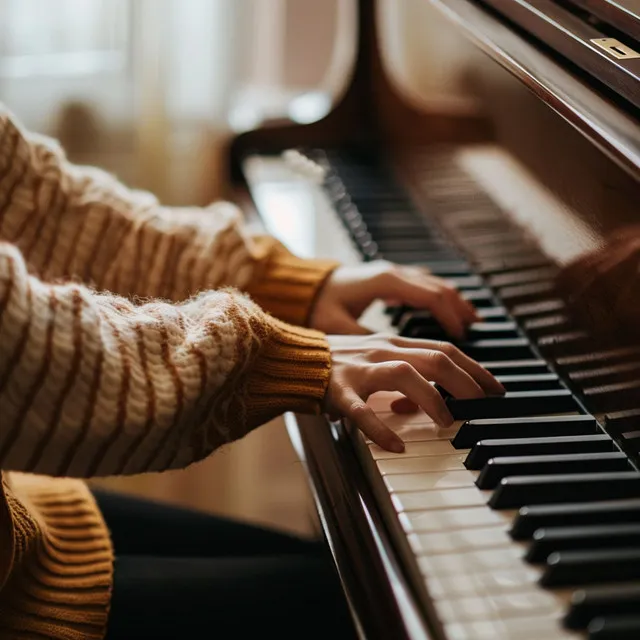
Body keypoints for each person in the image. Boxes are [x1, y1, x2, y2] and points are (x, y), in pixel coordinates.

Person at [0, 103, 505, 639]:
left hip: (21, 522)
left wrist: (277, 281)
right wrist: (273, 358)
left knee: (350, 581)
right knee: (374, 610)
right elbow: (25, 358)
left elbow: (45, 209)